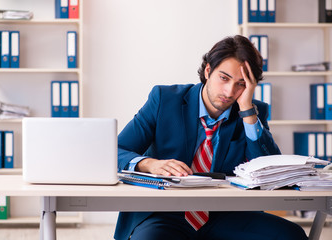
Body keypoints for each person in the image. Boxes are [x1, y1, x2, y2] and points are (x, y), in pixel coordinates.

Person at [114, 35, 308, 240]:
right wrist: (149, 164)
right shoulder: (165, 99)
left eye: (241, 84)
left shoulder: (251, 111)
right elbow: (115, 150)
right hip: (163, 212)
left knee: (291, 235)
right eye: (224, 78)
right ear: (208, 71)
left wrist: (247, 111)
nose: (230, 91)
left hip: (226, 214)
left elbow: (270, 170)